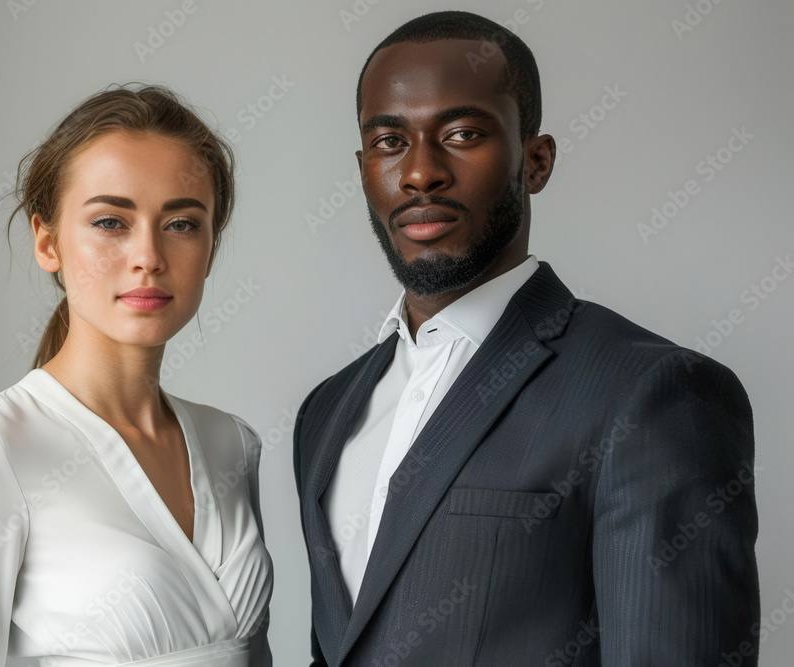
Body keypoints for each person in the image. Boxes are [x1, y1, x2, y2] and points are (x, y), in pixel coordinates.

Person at [293, 11, 759, 666]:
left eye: (461, 133)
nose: (421, 172)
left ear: (535, 161)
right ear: (364, 167)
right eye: (390, 141)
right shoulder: (326, 412)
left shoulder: (649, 393)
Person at [0, 85, 273, 666]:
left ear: (211, 248)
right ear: (48, 242)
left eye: (181, 223)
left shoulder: (230, 441)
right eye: (111, 221)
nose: (148, 256)